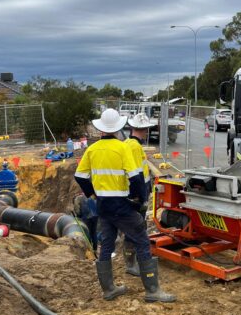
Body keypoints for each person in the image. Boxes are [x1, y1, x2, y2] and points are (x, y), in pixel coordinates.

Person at [74, 108, 175, 303]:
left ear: (101, 129)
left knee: (107, 245)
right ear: (118, 127)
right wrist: (139, 199)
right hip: (121, 204)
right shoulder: (122, 148)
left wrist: (93, 194)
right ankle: (152, 291)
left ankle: (109, 289)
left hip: (103, 205)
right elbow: (136, 176)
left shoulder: (92, 149)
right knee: (142, 240)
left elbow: (80, 176)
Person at [122, 113, 155, 276]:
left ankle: (130, 262)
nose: (146, 132)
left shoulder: (128, 143)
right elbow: (136, 175)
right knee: (136, 229)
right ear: (143, 129)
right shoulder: (134, 147)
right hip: (136, 194)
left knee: (132, 229)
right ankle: (131, 264)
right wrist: (141, 197)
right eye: (146, 129)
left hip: (131, 194)